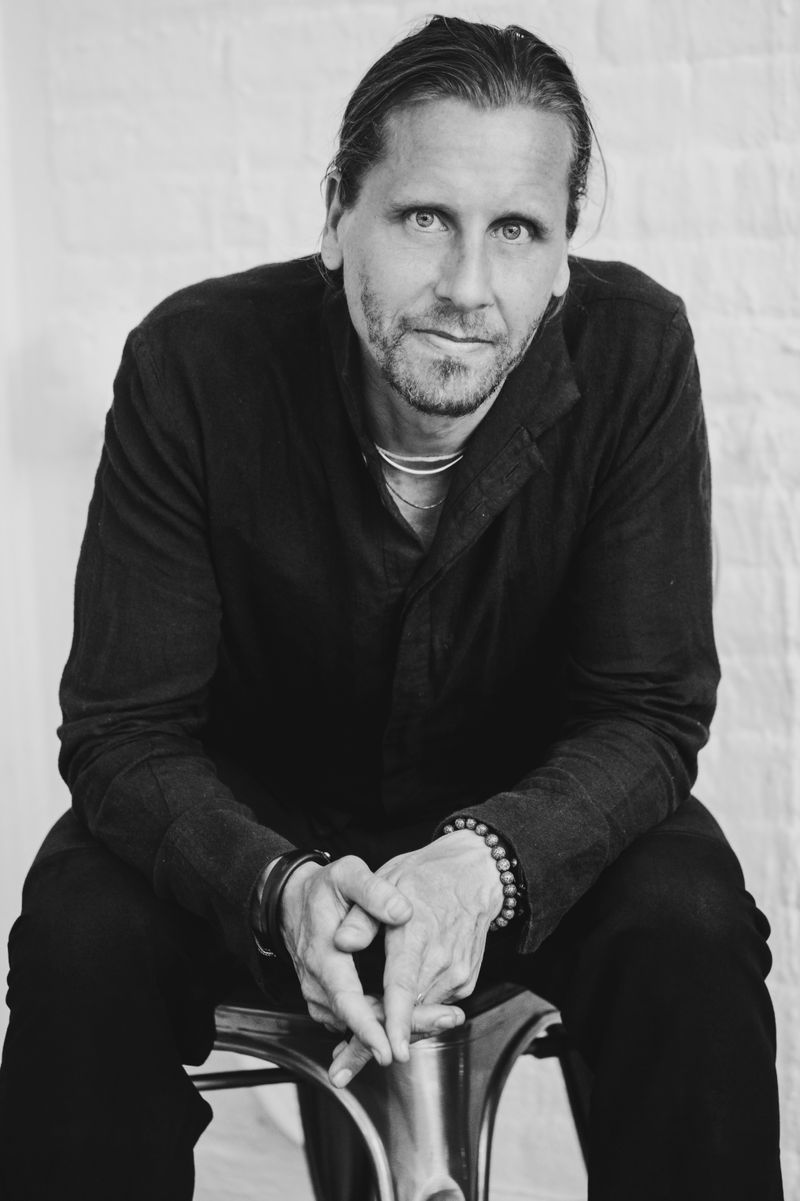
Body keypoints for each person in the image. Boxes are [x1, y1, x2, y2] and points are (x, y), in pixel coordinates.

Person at [0, 14, 783, 1201]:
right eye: (424, 218)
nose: (466, 287)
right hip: (253, 830)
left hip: (520, 825)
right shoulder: (193, 364)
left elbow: (645, 711)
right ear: (335, 216)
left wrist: (485, 864)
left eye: (515, 229)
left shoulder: (634, 352)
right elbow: (122, 730)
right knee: (78, 927)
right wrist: (277, 885)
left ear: (560, 256)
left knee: (688, 917)